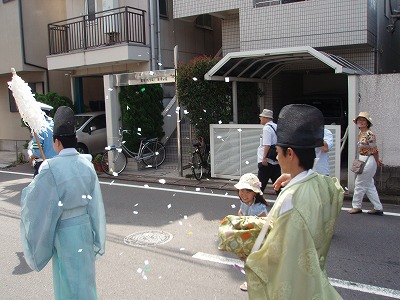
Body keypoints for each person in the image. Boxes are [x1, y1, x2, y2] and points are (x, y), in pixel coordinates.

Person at [245, 104, 344, 299]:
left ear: (289, 153)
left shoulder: (290, 200)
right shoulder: (321, 185)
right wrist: (295, 177)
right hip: (314, 277)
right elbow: (335, 190)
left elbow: (274, 255)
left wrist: (249, 252)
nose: (276, 156)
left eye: (278, 151)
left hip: (295, 287)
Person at [20, 106, 106, 300]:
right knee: (86, 281)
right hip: (85, 229)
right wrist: (96, 236)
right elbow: (94, 205)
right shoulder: (87, 164)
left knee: (67, 284)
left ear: (56, 142)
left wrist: (33, 186)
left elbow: (40, 203)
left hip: (64, 232)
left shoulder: (50, 168)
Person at [234, 173, 268, 292]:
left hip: (258, 239)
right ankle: (252, 280)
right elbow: (240, 213)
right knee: (248, 261)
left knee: (255, 261)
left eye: (248, 191)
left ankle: (254, 282)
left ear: (255, 193)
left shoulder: (259, 207)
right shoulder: (244, 202)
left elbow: (264, 224)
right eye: (241, 191)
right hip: (248, 237)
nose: (244, 194)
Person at [349, 112, 384, 215]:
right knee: (369, 185)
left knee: (359, 183)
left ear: (367, 123)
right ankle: (378, 207)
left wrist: (378, 160)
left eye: (363, 120)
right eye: (359, 120)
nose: (361, 122)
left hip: (368, 160)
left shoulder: (369, 134)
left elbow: (374, 150)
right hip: (365, 159)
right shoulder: (361, 133)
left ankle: (356, 206)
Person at [27, 102, 57, 177]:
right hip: (57, 163)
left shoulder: (39, 129)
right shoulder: (55, 125)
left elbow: (37, 152)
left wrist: (31, 157)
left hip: (44, 164)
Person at [257, 109, 281, 193]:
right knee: (278, 185)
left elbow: (267, 144)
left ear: (266, 118)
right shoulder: (276, 127)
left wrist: (264, 158)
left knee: (260, 185)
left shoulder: (267, 128)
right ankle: (284, 202)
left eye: (261, 117)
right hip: (275, 159)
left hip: (267, 161)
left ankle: (256, 202)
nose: (260, 119)